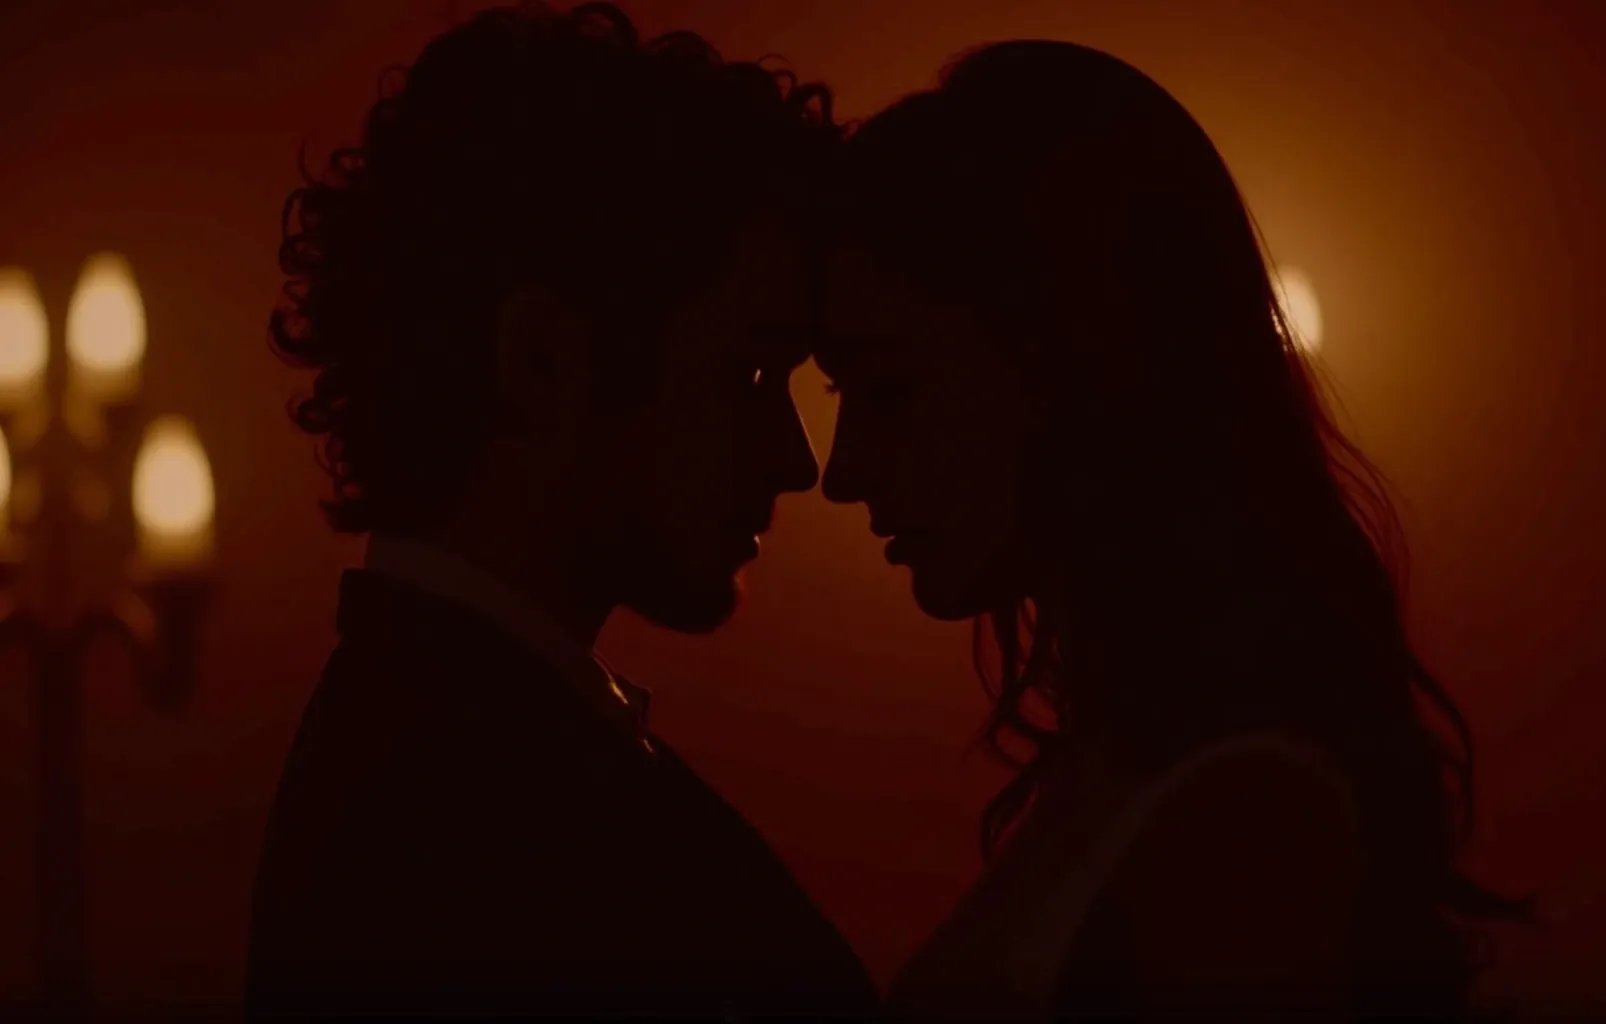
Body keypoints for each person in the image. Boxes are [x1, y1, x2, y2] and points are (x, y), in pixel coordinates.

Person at [816, 40, 1529, 1020]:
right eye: (840, 393)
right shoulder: (1134, 763)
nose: (844, 470)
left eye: (891, 390)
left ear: (1069, 367)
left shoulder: (1243, 831)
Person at [246, 3, 873, 1016]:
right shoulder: (486, 822)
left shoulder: (437, 748)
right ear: (540, 358)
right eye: (748, 374)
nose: (797, 459)